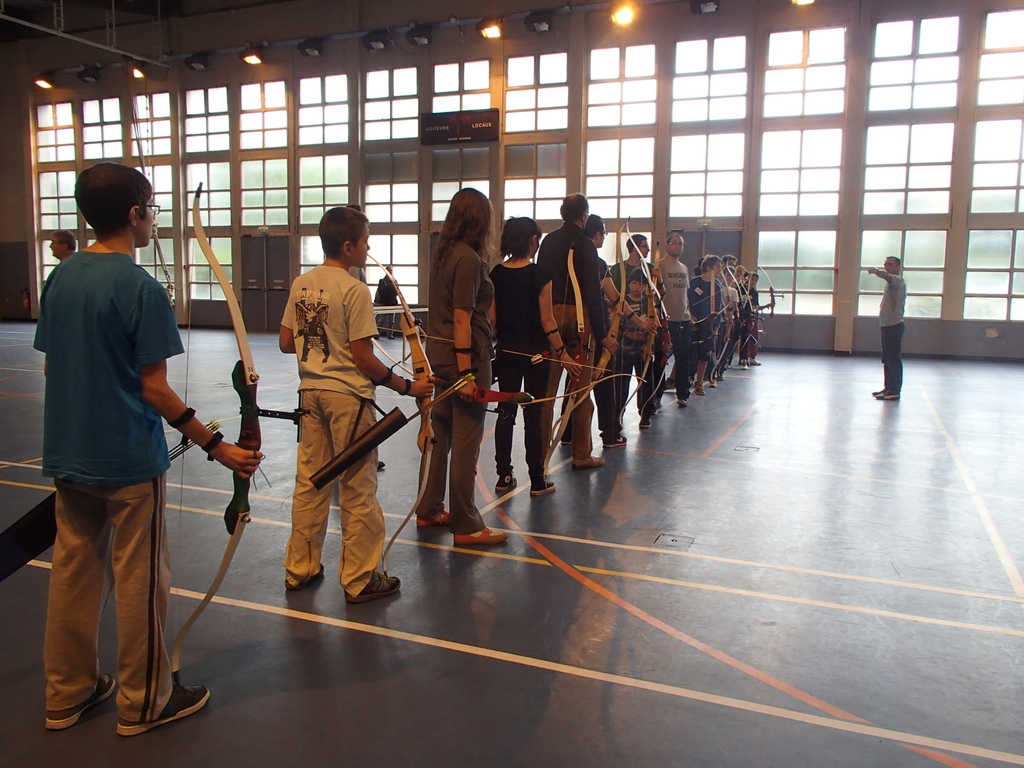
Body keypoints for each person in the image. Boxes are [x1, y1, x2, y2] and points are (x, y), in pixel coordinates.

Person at [33, 162, 261, 736]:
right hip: (128, 461)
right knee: (139, 580)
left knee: (73, 572)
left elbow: (58, 364)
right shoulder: (140, 287)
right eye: (152, 210)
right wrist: (218, 447)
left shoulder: (61, 277)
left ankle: (67, 692)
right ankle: (145, 701)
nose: (154, 220)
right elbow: (153, 388)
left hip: (68, 453)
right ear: (135, 214)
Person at [279, 206, 432, 600]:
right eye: (365, 241)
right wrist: (406, 386)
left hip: (310, 394)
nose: (368, 248)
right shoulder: (353, 289)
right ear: (347, 247)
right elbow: (364, 359)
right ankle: (360, 578)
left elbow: (286, 342)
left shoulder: (302, 283)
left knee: (310, 480)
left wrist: (320, 347)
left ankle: (300, 568)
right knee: (357, 486)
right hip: (347, 398)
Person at [413, 188, 507, 545]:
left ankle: (429, 507)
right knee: (466, 442)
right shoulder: (467, 259)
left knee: (440, 434)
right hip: (463, 358)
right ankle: (466, 525)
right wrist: (467, 375)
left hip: (439, 354)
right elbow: (462, 318)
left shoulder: (444, 253)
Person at [490, 217, 580, 496]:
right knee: (534, 415)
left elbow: (492, 321)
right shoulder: (540, 274)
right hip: (537, 354)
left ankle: (504, 476)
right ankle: (537, 480)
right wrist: (563, 354)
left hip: (506, 352)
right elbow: (547, 320)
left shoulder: (496, 274)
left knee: (506, 413)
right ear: (531, 240)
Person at [537, 194, 615, 469]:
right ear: (584, 216)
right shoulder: (585, 244)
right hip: (578, 321)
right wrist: (603, 334)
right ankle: (581, 454)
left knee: (547, 392)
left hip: (549, 318)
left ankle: (539, 456)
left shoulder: (548, 242)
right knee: (581, 391)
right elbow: (593, 294)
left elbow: (539, 283)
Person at [657, 232, 692, 407]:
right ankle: (656, 394)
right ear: (667, 245)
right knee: (661, 359)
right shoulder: (660, 266)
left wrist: (689, 313)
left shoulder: (684, 268)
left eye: (680, 243)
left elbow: (686, 294)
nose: (677, 246)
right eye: (674, 242)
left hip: (683, 319)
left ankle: (682, 394)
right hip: (666, 319)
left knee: (683, 358)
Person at [867, 256, 906, 401]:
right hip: (886, 325)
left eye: (890, 264)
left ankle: (894, 390)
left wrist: (876, 271)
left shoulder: (897, 280)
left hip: (893, 325)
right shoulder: (891, 284)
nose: (886, 267)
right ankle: (888, 388)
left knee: (893, 359)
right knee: (887, 359)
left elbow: (887, 276)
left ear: (897, 267)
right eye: (885, 264)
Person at [688, 255, 724, 396]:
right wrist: (689, 315)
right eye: (718, 266)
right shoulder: (694, 282)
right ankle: (685, 378)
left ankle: (699, 381)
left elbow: (718, 308)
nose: (720, 269)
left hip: (707, 324)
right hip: (692, 323)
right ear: (709, 268)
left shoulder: (717, 285)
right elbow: (687, 300)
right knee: (689, 352)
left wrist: (716, 327)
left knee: (704, 354)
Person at [373, 272, 399, 339]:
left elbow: (397, 292)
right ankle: (377, 333)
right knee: (382, 319)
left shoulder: (394, 281)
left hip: (392, 303)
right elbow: (381, 291)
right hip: (385, 303)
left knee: (391, 321)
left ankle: (390, 334)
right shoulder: (382, 281)